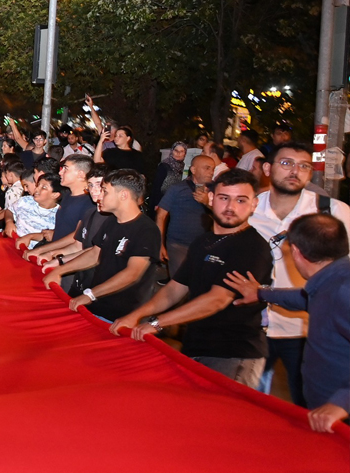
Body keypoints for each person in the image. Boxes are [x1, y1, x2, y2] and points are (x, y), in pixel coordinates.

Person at [111, 169, 273, 389]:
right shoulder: (203, 242)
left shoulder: (252, 247)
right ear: (212, 198)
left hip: (233, 354)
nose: (231, 207)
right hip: (196, 346)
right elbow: (175, 288)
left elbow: (218, 299)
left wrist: (157, 323)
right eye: (224, 198)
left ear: (254, 204)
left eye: (241, 200)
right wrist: (136, 316)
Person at [224, 214, 349, 432]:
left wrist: (341, 403)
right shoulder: (332, 280)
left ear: (297, 253)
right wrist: (262, 293)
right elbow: (307, 298)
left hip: (339, 419)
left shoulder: (342, 290)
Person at [246, 142, 350, 405]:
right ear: (267, 168)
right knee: (247, 408)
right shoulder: (246, 208)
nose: (295, 170)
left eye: (304, 166)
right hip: (250, 326)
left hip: (307, 332)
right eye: (286, 163)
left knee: (308, 410)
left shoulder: (333, 212)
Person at [44, 170, 160, 321]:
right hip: (97, 305)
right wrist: (60, 269)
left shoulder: (146, 230)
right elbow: (94, 254)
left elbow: (132, 273)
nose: (100, 196)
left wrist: (90, 294)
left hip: (121, 315)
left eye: (105, 191)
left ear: (123, 195)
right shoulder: (111, 221)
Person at [156, 154, 215, 277]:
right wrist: (160, 244)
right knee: (180, 282)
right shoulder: (177, 189)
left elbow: (223, 217)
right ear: (193, 170)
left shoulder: (216, 192)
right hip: (178, 245)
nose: (211, 172)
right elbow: (161, 215)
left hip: (205, 246)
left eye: (213, 169)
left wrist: (207, 203)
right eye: (207, 168)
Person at [152, 142, 188, 208]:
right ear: (172, 151)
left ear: (185, 153)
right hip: (162, 201)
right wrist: (157, 203)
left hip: (176, 202)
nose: (178, 153)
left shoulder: (185, 168)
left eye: (181, 151)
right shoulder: (164, 166)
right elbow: (157, 186)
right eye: (176, 151)